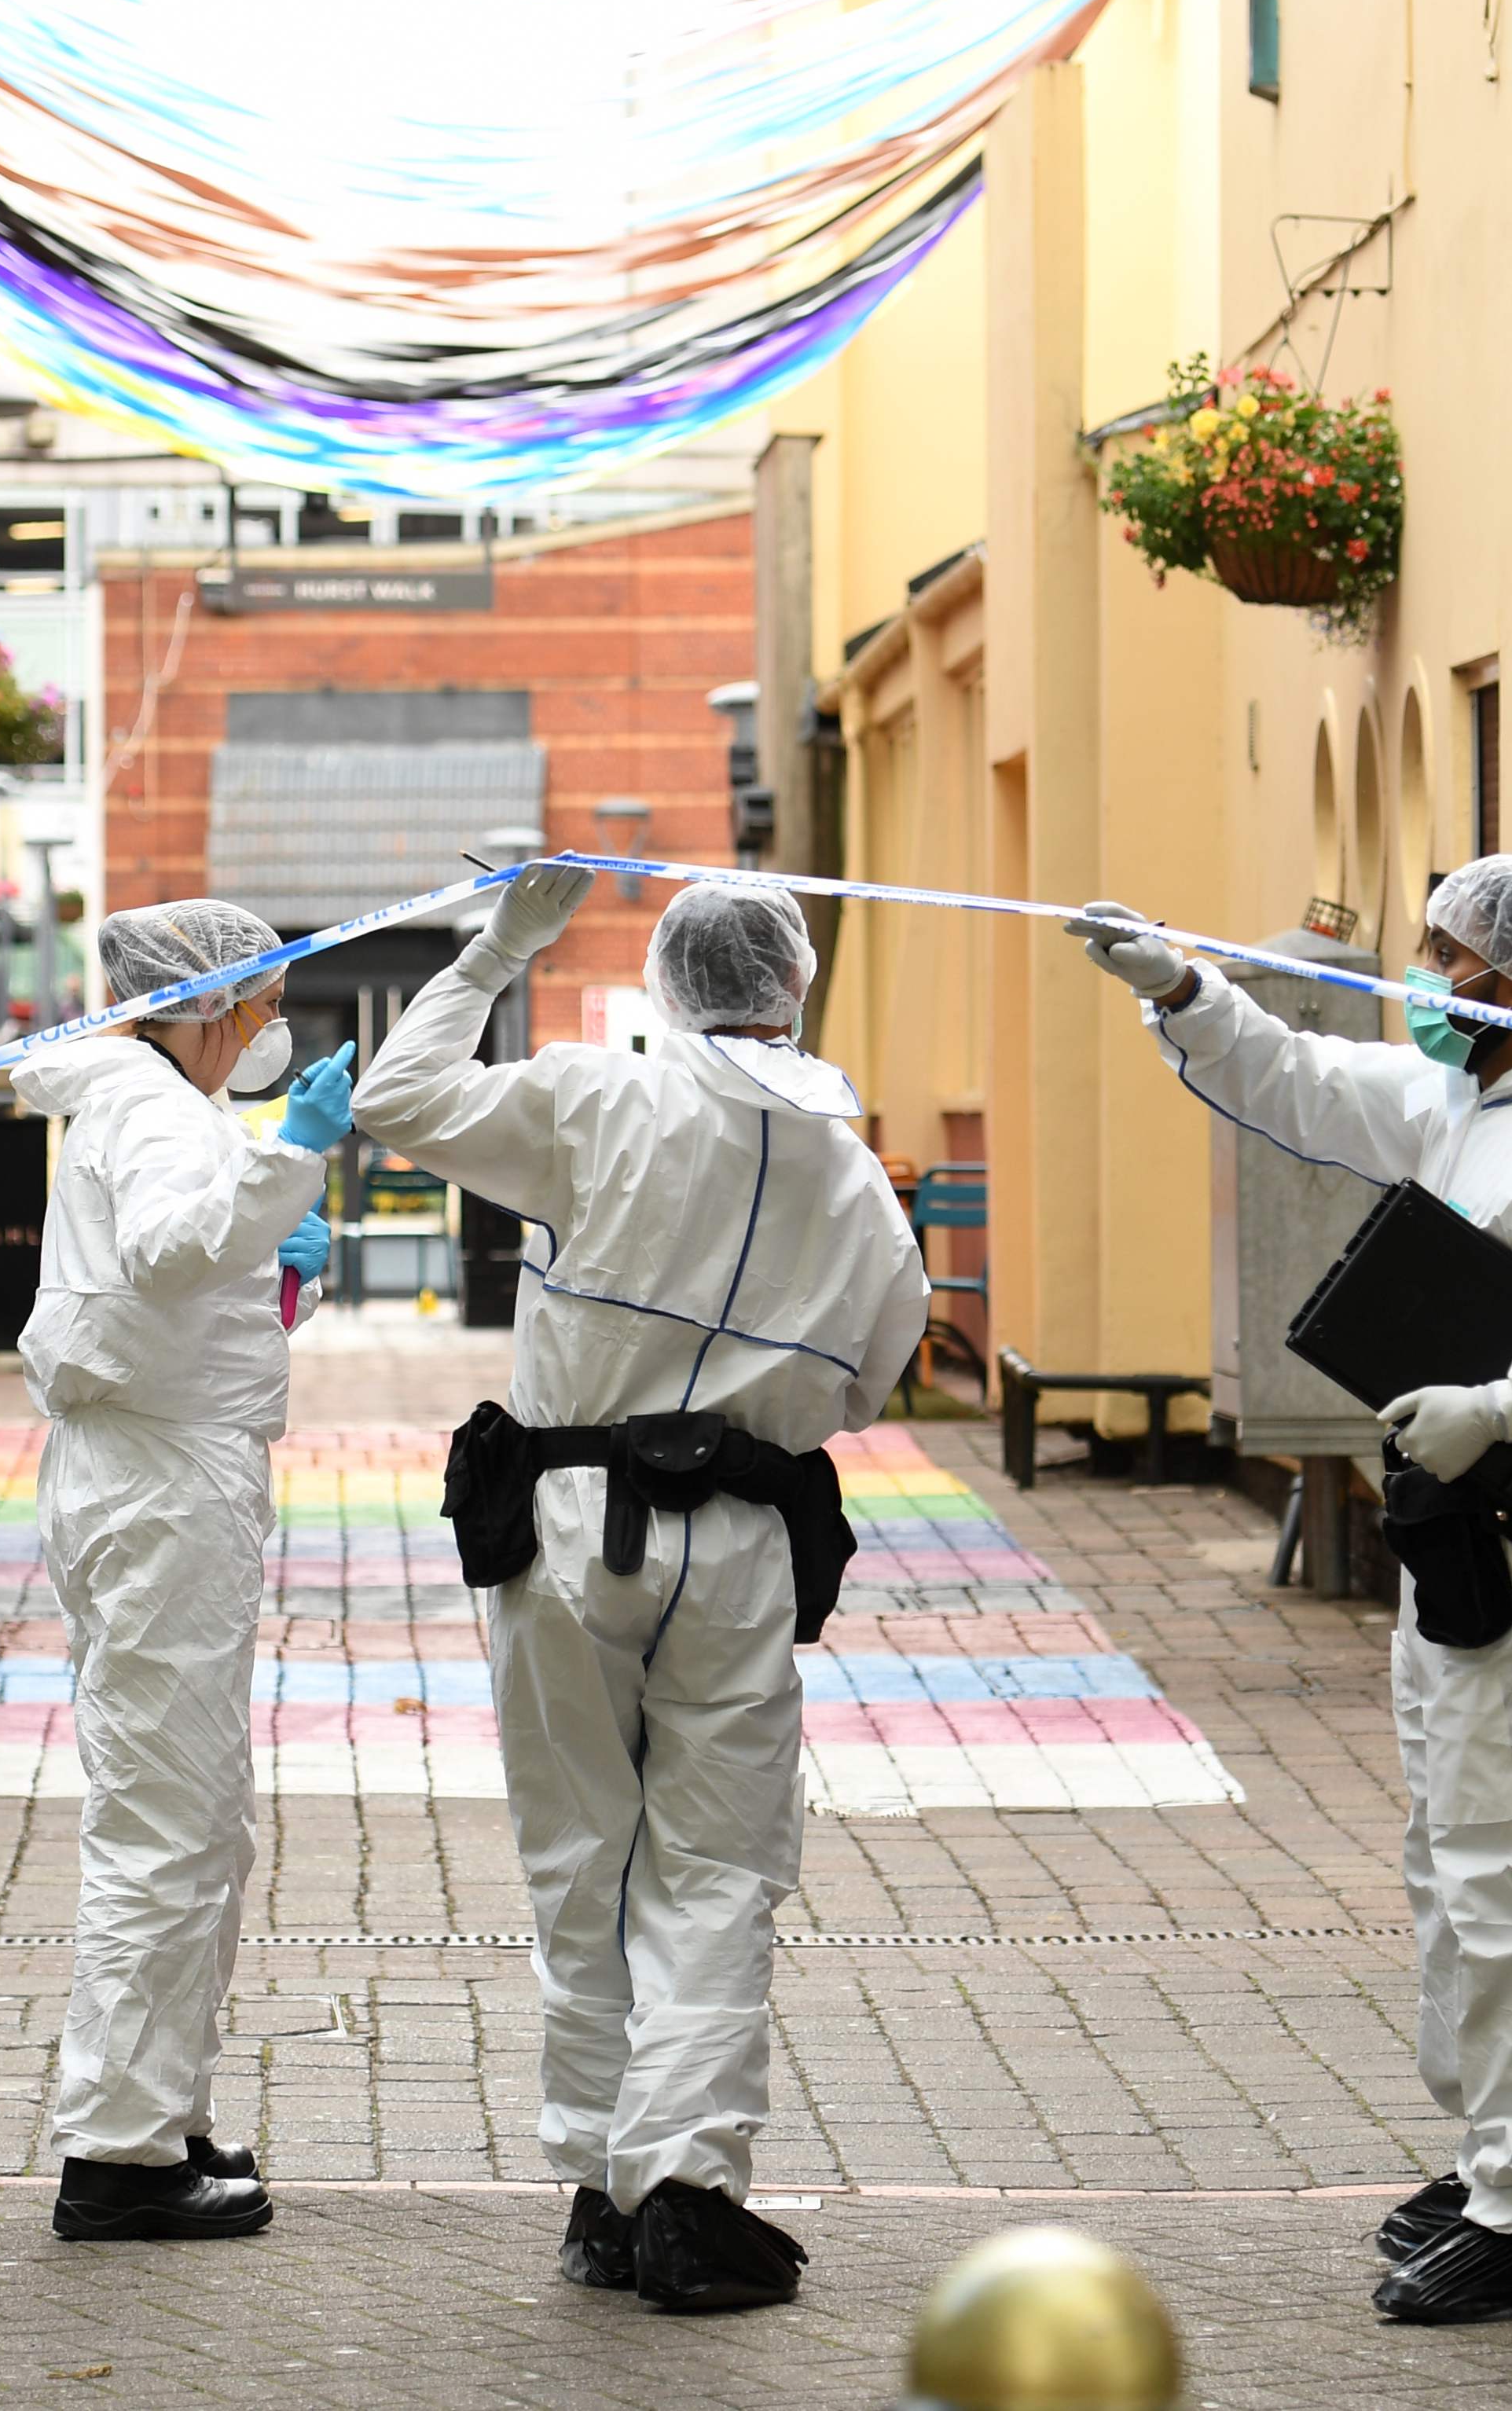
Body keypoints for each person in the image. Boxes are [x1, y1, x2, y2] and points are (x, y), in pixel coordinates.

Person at [1068, 855, 1512, 2327]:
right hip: (1464, 1537)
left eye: (1449, 960)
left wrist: (1505, 1401)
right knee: (1457, 1858)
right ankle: (1495, 2145)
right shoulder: (1464, 1099)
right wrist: (1179, 986)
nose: (1424, 983)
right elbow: (1301, 1080)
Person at [354, 869, 927, 2313]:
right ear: (794, 983)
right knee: (718, 1868)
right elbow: (873, 1370)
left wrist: (497, 945)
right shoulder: (847, 1171)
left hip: (562, 1528)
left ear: (665, 980)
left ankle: (604, 2187)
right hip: (736, 1541)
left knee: (582, 1857)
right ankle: (682, 2178)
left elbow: (398, 1102)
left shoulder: (588, 1103)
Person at [9, 897, 351, 2244]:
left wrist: (282, 1273)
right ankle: (119, 2153)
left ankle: (158, 2109)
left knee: (196, 1811)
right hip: (157, 1482)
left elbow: (175, 1289)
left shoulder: (154, 1100)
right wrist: (292, 1165)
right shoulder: (152, 1108)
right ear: (201, 1004)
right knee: (165, 1818)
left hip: (156, 1465)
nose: (271, 1030)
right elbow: (164, 1247)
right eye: (260, 1005)